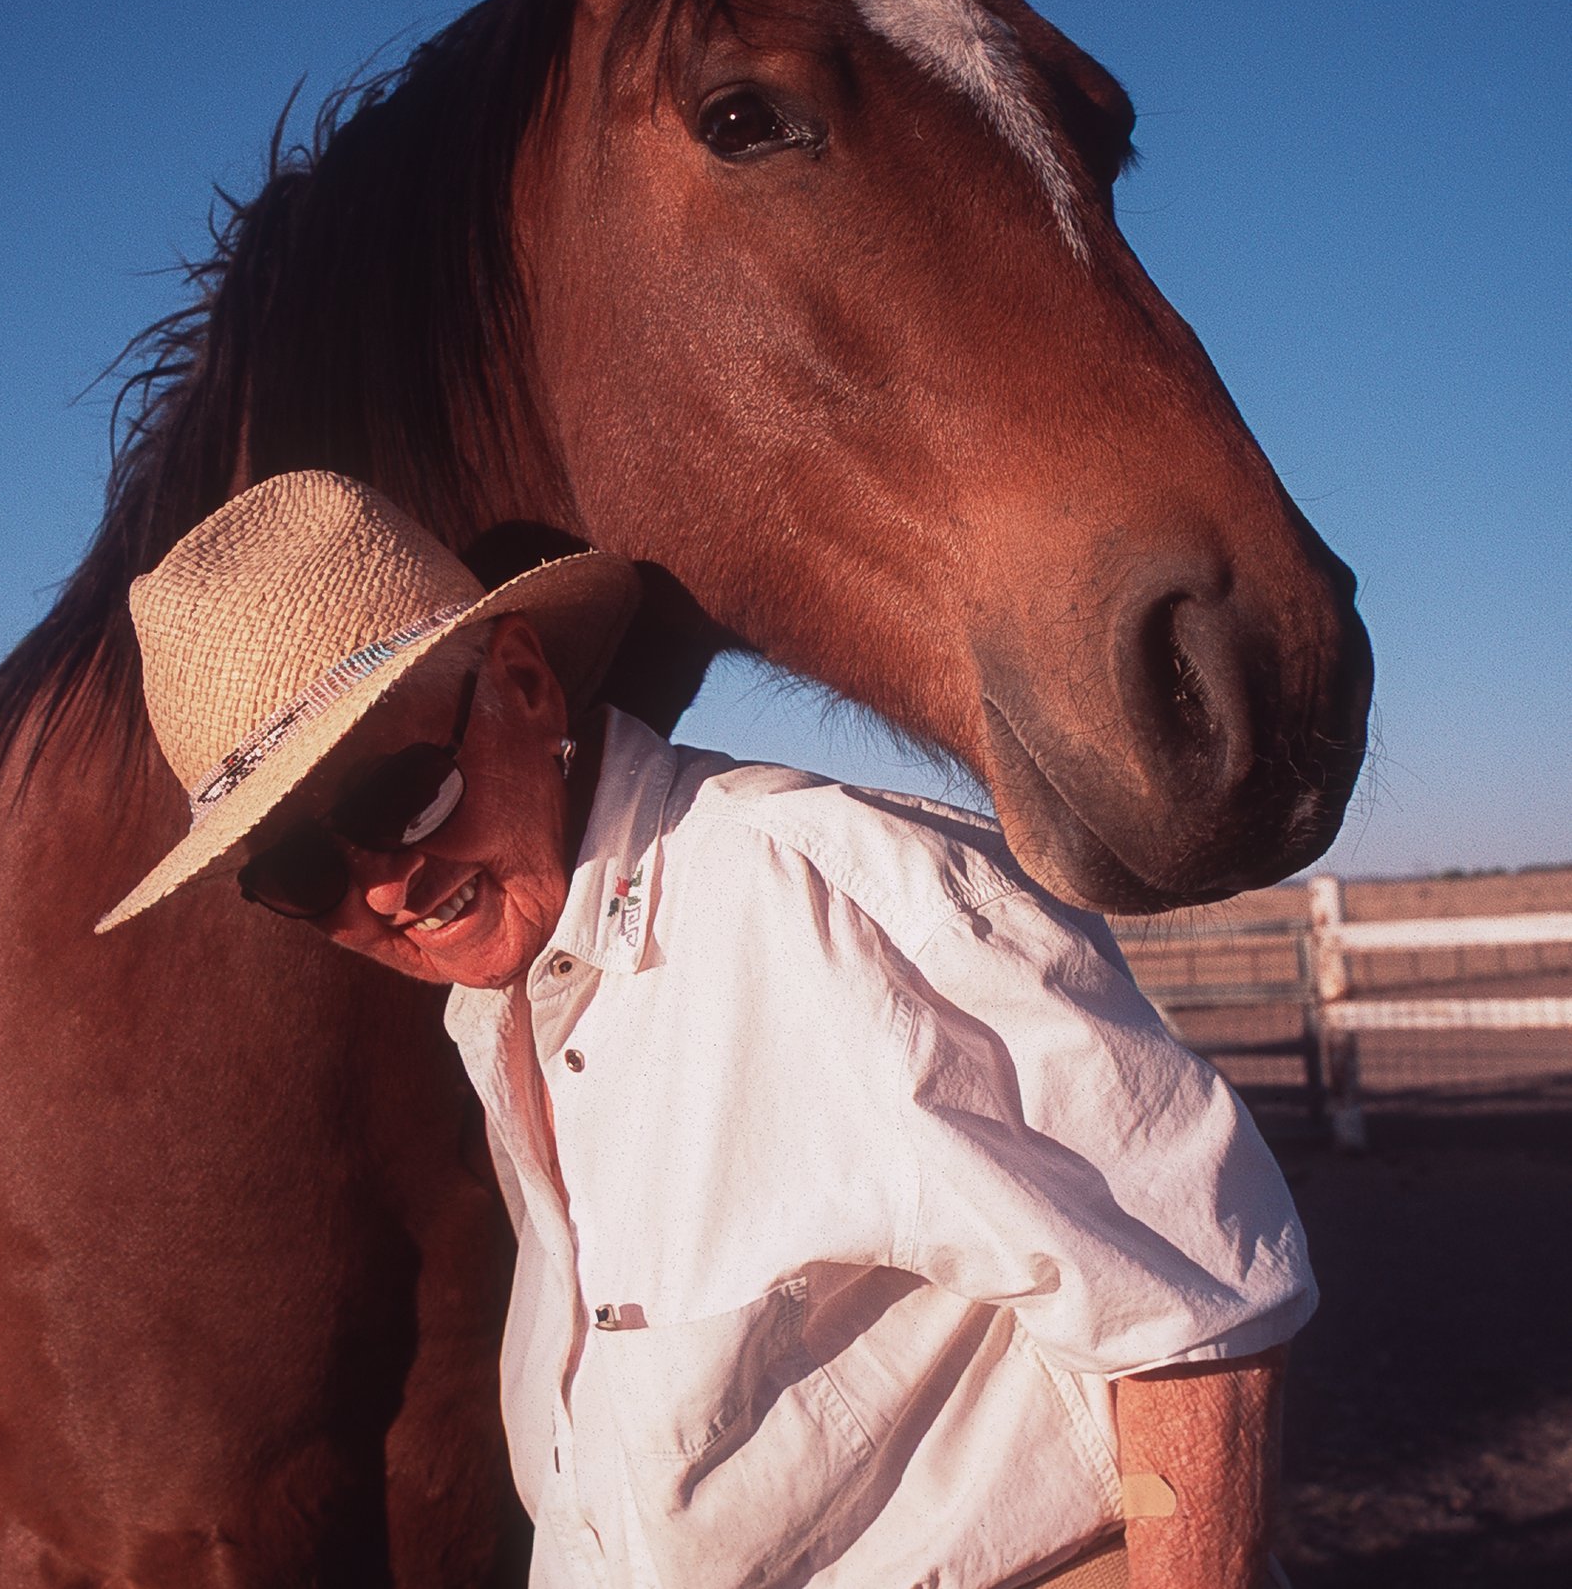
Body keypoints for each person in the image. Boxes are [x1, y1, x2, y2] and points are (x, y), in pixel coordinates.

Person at [98, 470, 1309, 1589]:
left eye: (392, 794)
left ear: (524, 684)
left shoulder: (833, 897)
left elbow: (1195, 1309)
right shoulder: (505, 1007)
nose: (381, 885)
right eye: (301, 869)